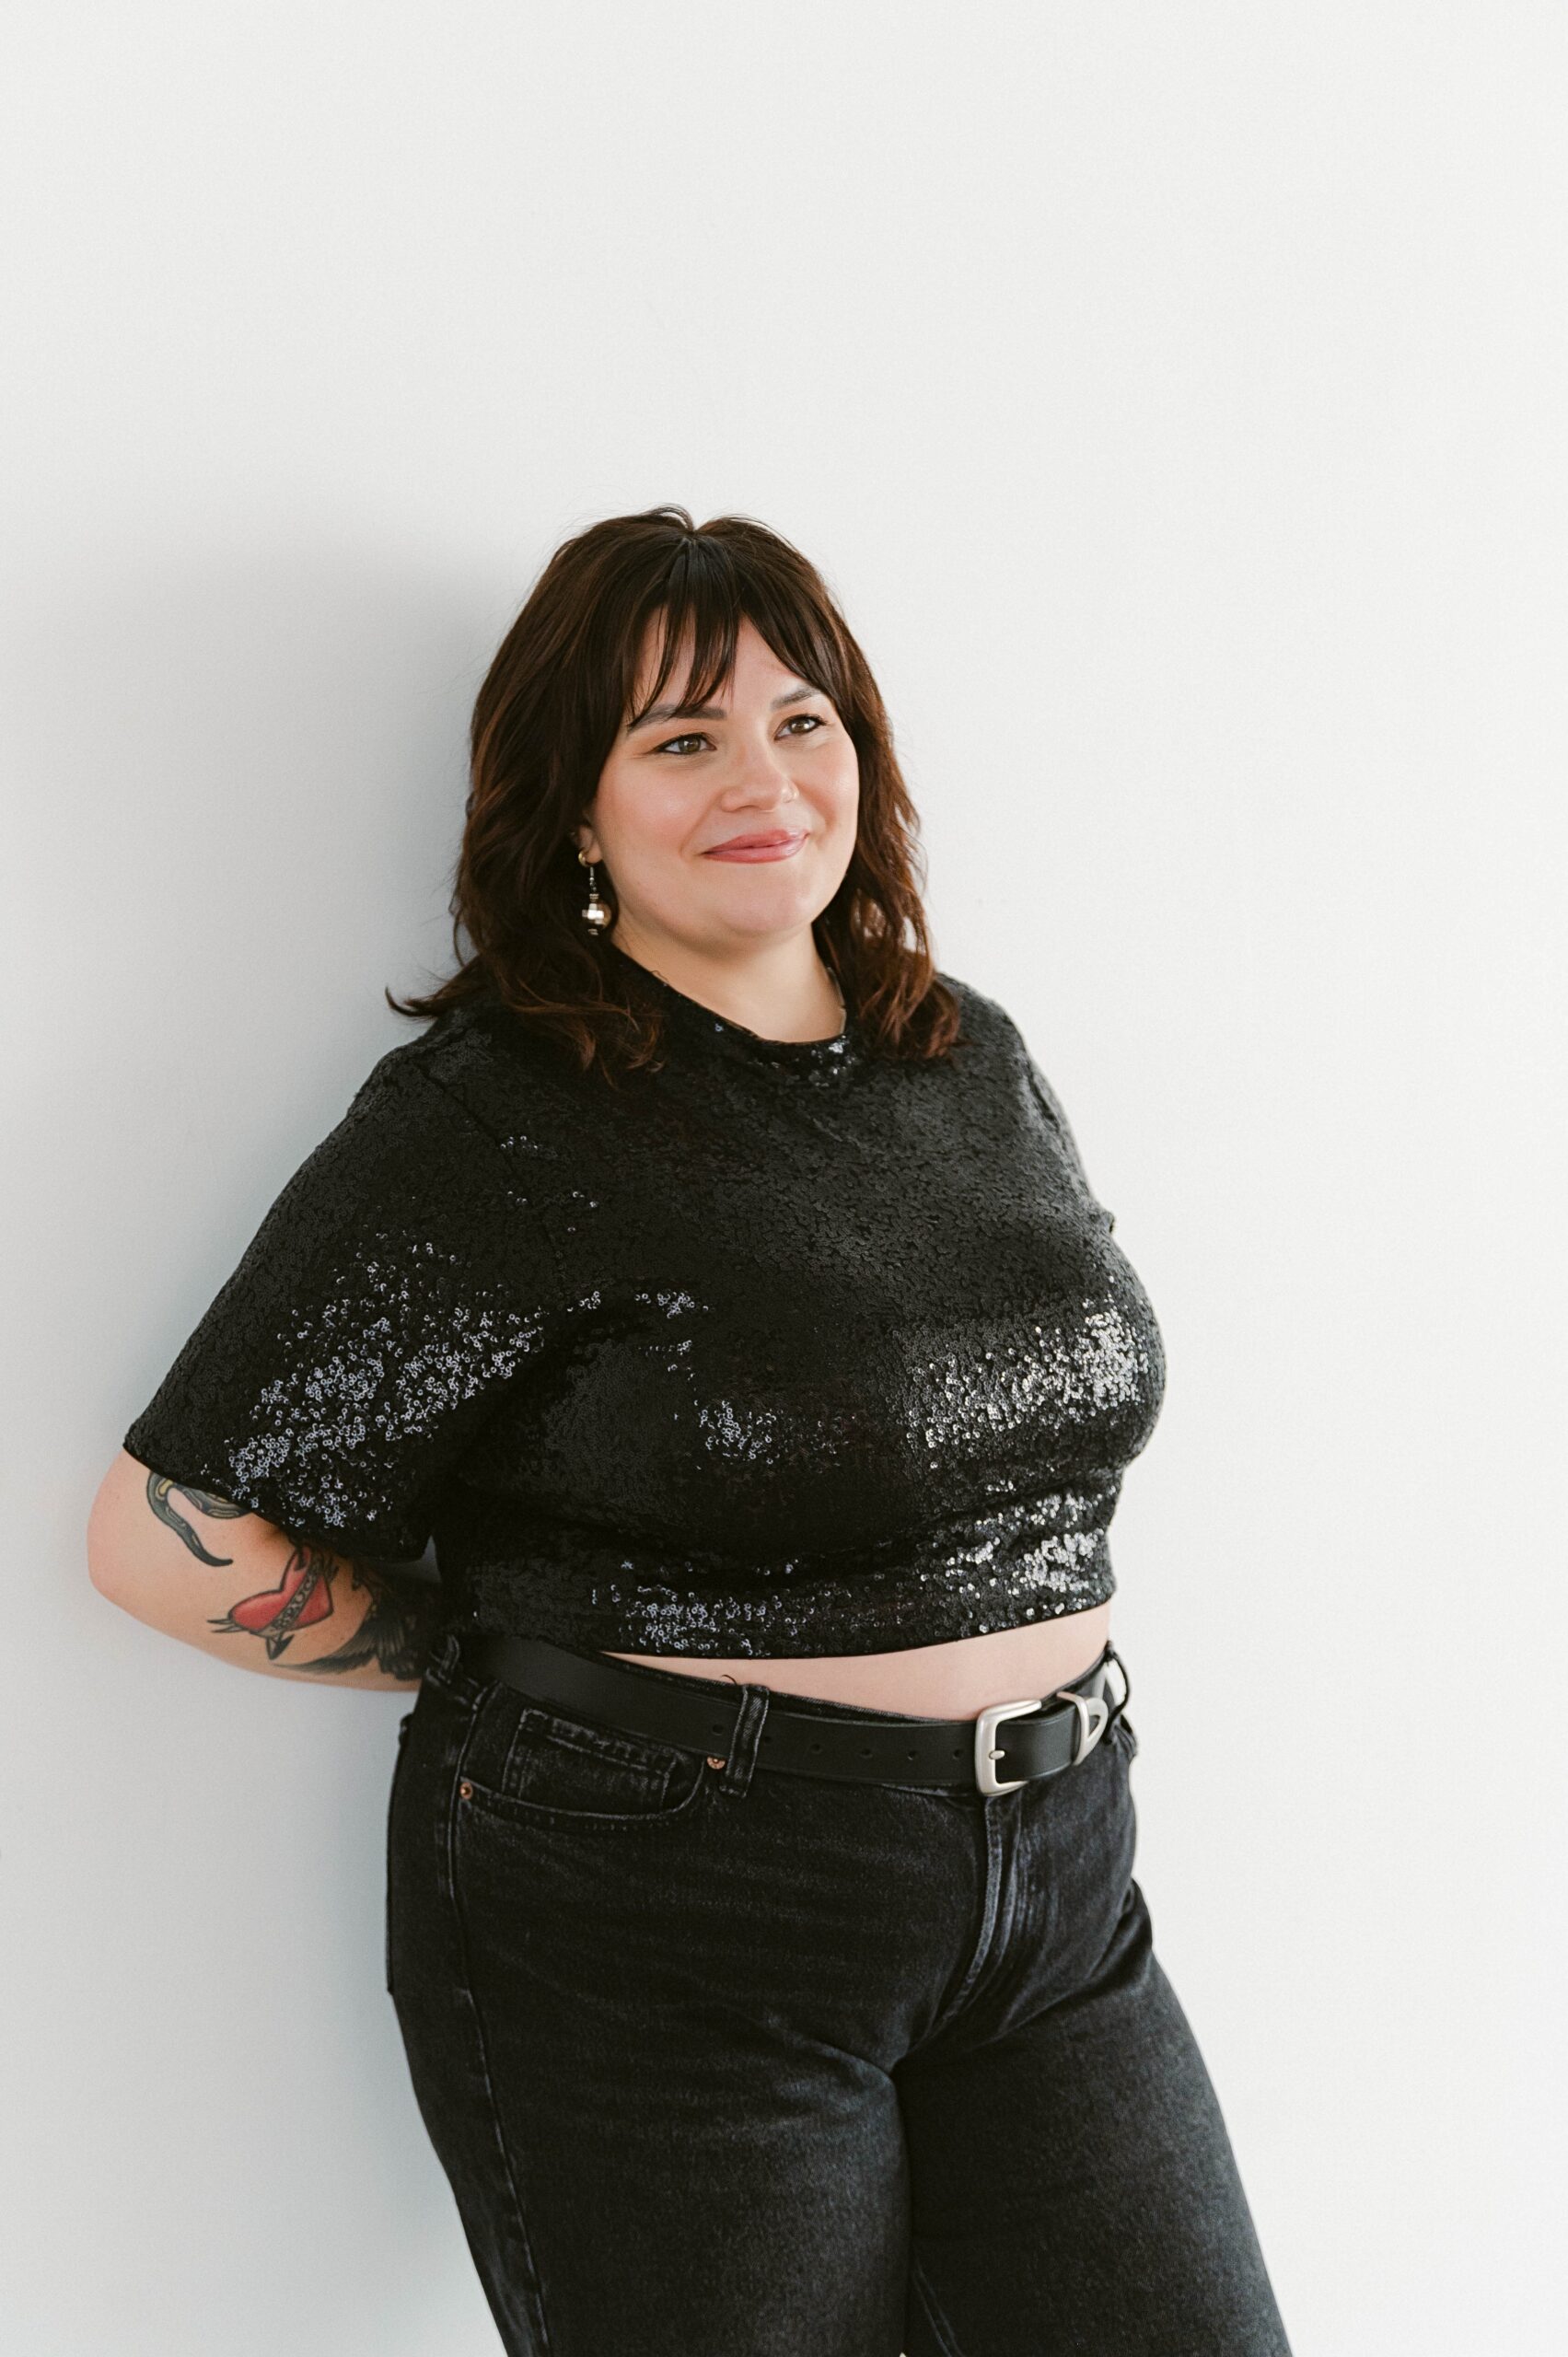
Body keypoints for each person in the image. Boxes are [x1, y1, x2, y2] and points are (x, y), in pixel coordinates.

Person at [88, 506, 1292, 2354]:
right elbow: (171, 1526)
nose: (764, 777)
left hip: (1057, 1882)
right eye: (681, 737)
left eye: (803, 720)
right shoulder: (500, 1116)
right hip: (673, 1915)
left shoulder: (966, 1057)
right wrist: (498, 1667)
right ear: (575, 808)